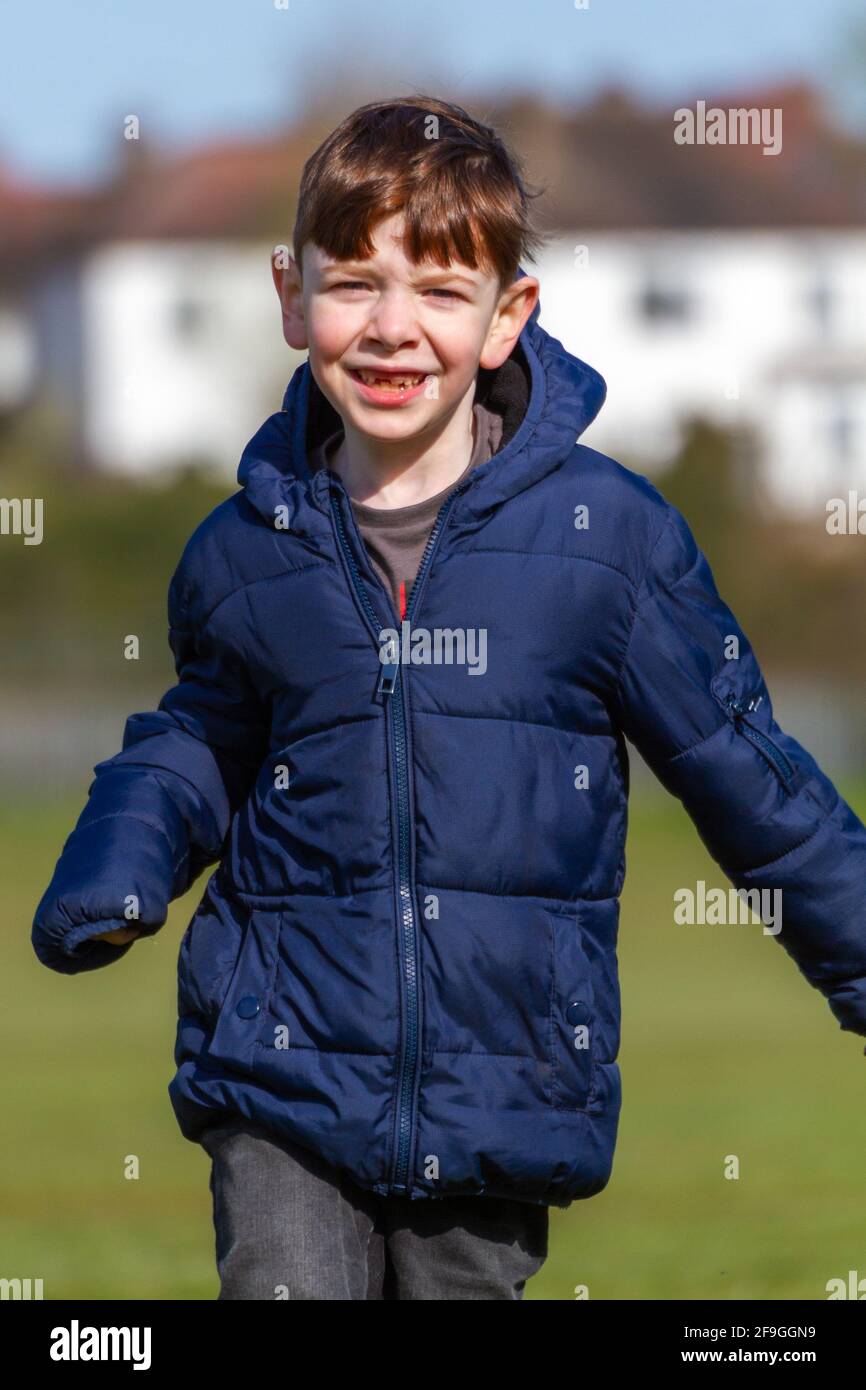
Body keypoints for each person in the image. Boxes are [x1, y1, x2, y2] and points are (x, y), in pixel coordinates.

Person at [32, 95, 866, 1300]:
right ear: (288, 294)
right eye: (353, 282)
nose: (389, 328)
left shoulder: (606, 543)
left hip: (504, 1084)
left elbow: (750, 781)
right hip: (281, 1071)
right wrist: (121, 855)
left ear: (503, 316)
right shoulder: (244, 548)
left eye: (436, 289)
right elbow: (202, 739)